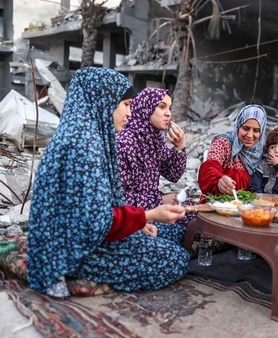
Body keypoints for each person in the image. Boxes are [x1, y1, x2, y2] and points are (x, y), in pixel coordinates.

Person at [27, 67, 190, 299]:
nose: (130, 113)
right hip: (70, 249)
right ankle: (71, 273)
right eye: (125, 104)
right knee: (176, 259)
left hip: (80, 235)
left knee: (171, 238)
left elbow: (99, 206)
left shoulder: (86, 136)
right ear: (103, 101)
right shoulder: (83, 148)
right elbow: (93, 223)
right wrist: (148, 215)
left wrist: (138, 222)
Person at [116, 87, 194, 229]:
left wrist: (179, 147)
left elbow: (173, 175)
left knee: (195, 215)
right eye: (162, 107)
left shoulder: (154, 138)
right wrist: (159, 200)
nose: (168, 114)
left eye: (169, 108)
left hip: (153, 206)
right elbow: (118, 198)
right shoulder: (125, 142)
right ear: (146, 108)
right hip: (135, 216)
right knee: (186, 229)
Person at [198, 104, 278, 199]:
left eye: (256, 130)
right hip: (219, 206)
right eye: (246, 128)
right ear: (238, 126)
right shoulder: (223, 144)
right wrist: (218, 180)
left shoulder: (264, 152)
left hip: (249, 210)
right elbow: (209, 169)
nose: (249, 135)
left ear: (261, 132)